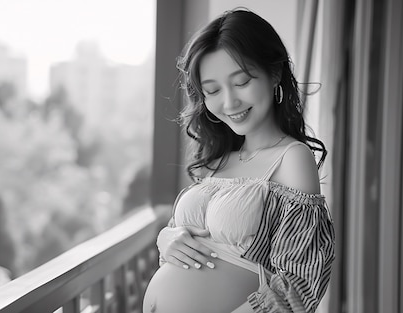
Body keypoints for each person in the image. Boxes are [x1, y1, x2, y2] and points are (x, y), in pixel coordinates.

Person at [142, 8, 335, 313]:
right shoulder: (217, 159)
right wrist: (167, 239)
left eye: (242, 82)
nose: (229, 102)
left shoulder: (292, 158)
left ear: (274, 74)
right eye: (213, 90)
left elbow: (300, 280)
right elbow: (189, 246)